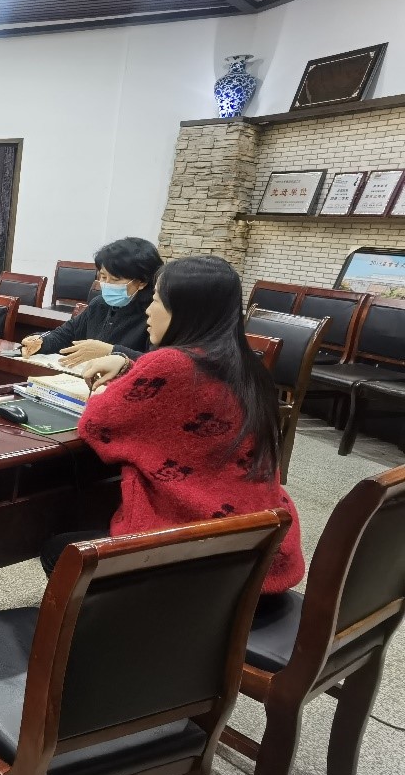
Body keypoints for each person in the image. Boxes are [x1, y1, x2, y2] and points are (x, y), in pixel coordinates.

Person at [39, 254, 304, 595]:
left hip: (198, 557)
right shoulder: (247, 366)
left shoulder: (170, 363)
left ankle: (130, 621)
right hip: (256, 548)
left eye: (157, 300)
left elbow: (97, 423)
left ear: (185, 310)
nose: (149, 311)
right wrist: (128, 365)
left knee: (58, 551)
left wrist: (113, 384)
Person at [20, 237, 162, 367]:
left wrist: (111, 351)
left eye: (115, 279)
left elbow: (158, 364)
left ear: (142, 282)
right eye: (103, 277)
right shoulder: (99, 304)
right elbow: (66, 334)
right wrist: (41, 342)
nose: (106, 284)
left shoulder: (155, 315)